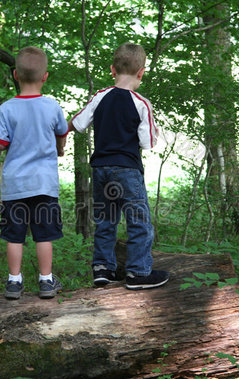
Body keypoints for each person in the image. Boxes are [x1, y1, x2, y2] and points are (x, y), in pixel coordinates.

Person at [68, 43, 169, 290]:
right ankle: (138, 272)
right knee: (139, 220)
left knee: (105, 219)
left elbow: (77, 124)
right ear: (141, 72)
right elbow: (147, 143)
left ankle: (103, 269)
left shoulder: (100, 96)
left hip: (101, 169)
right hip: (127, 170)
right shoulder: (141, 103)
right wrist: (155, 128)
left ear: (112, 70)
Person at [0, 46, 69, 300]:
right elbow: (61, 133)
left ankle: (14, 281)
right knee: (44, 234)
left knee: (14, 236)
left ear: (15, 75)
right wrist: (59, 148)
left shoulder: (7, 108)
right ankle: (46, 281)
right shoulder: (51, 106)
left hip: (15, 185)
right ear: (45, 77)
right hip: (44, 184)